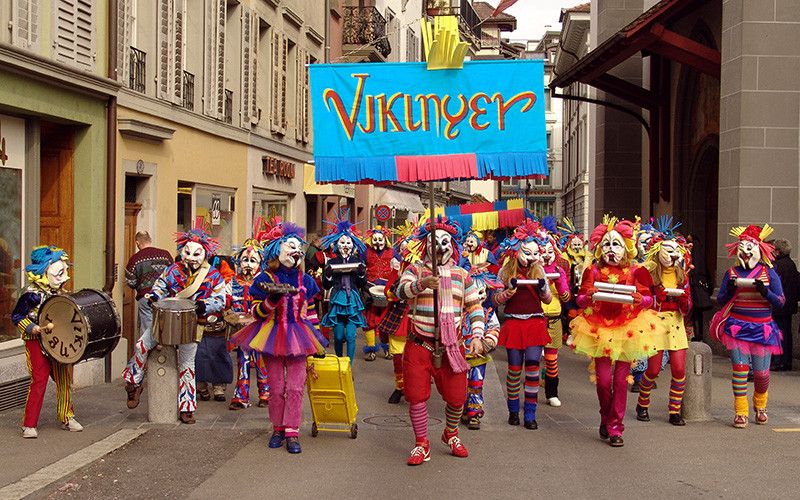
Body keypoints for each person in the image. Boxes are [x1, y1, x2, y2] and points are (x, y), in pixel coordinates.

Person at [396, 216, 486, 466]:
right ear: (425, 245)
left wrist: (477, 334)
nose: (439, 247)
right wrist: (422, 283)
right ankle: (421, 443)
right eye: (434, 242)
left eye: (444, 242)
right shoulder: (415, 270)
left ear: (452, 246)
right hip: (419, 343)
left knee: (457, 398)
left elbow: (474, 306)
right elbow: (400, 291)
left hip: (451, 346)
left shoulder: (462, 274)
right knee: (416, 396)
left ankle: (451, 433)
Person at [231, 218, 327, 453]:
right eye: (290, 246)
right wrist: (271, 301)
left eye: (298, 247)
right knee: (275, 388)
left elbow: (311, 312)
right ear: (278, 249)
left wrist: (317, 341)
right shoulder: (264, 279)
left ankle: (292, 432)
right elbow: (255, 313)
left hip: (300, 337)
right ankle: (278, 428)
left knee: (295, 388)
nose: (296, 251)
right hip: (271, 335)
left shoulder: (306, 280)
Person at [570, 215, 659, 447]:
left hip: (628, 329)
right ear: (601, 248)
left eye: (616, 244)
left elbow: (649, 299)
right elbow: (579, 299)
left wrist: (641, 300)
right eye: (607, 244)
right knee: (602, 381)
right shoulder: (593, 271)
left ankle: (616, 428)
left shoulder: (636, 271)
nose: (611, 248)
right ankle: (605, 416)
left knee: (620, 382)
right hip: (598, 329)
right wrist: (587, 297)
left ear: (626, 248)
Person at [122, 226, 226, 424]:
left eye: (196, 254)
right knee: (142, 345)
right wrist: (154, 296)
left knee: (187, 364)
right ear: (182, 251)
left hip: (192, 323)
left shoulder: (213, 275)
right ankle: (134, 382)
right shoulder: (173, 270)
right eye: (188, 252)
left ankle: (187, 407)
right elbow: (160, 286)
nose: (191, 258)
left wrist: (205, 305)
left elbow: (221, 299)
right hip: (165, 320)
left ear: (205, 254)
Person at [711, 224, 784, 428]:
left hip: (762, 329)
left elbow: (781, 302)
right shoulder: (731, 273)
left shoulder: (769, 273)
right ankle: (741, 411)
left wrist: (765, 292)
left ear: (760, 249)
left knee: (761, 374)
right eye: (742, 247)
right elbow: (721, 300)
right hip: (737, 328)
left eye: (750, 247)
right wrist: (730, 289)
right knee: (740, 371)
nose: (746, 251)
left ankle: (760, 406)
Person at [12, 246, 83, 438]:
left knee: (64, 378)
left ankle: (67, 416)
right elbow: (17, 316)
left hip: (58, 340)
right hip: (35, 341)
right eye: (61, 272)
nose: (65, 277)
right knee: (39, 379)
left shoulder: (60, 292)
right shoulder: (30, 294)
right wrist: (31, 327)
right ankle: (29, 424)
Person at [493, 219, 553, 430]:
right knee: (514, 369)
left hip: (535, 323)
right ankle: (512, 411)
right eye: (527, 252)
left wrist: (543, 289)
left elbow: (548, 300)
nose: (532, 257)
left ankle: (530, 414)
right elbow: (495, 300)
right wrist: (508, 292)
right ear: (516, 250)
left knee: (533, 368)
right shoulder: (505, 271)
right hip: (514, 324)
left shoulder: (540, 270)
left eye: (536, 253)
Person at [635, 217, 692, 426]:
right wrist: (656, 298)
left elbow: (688, 307)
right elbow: (642, 302)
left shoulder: (682, 276)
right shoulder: (648, 274)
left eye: (676, 250)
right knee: (653, 369)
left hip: (675, 323)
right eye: (668, 250)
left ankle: (674, 411)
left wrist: (683, 300)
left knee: (679, 370)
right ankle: (642, 403)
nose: (673, 254)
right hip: (656, 323)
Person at [319, 213, 367, 364]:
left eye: (348, 243)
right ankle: (340, 362)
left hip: (352, 299)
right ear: (336, 245)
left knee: (351, 336)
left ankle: (349, 366)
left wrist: (361, 274)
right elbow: (326, 285)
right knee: (339, 337)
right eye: (342, 242)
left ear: (353, 244)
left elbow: (362, 284)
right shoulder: (332, 262)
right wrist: (327, 275)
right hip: (337, 299)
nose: (345, 246)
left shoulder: (356, 261)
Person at [227, 238, 269, 410]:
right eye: (245, 260)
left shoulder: (265, 282)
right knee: (243, 360)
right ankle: (241, 396)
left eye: (253, 261)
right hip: (242, 330)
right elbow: (226, 302)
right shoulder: (232, 282)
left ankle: (266, 393)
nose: (249, 265)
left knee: (261, 361)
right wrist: (229, 311)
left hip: (261, 329)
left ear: (260, 263)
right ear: (239, 261)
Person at [461, 270, 501, 430]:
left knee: (476, 384)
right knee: (461, 384)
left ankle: (474, 413)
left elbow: (494, 328)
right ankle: (463, 409)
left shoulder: (488, 313)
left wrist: (488, 342)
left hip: (479, 356)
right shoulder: (458, 313)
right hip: (460, 355)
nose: (480, 296)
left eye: (483, 291)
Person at [540, 216, 572, 407]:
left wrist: (559, 282)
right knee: (533, 359)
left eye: (549, 251)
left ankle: (552, 392)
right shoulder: (531, 269)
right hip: (535, 318)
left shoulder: (560, 269)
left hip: (553, 319)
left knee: (552, 359)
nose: (546, 255)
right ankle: (532, 389)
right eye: (542, 251)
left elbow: (567, 298)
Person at [124, 231, 173, 341]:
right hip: (165, 296)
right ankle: (165, 349)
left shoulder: (135, 259)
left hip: (145, 297)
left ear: (137, 243)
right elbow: (173, 274)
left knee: (147, 329)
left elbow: (131, 282)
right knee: (165, 327)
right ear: (150, 240)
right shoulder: (165, 255)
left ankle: (148, 350)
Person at [363, 225, 394, 360]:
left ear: (385, 240)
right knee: (370, 321)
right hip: (370, 291)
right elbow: (360, 267)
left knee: (386, 322)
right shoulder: (365, 252)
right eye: (375, 239)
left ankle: (388, 349)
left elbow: (401, 266)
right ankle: (371, 350)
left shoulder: (392, 252)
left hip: (387, 292)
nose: (377, 242)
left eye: (380, 239)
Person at [770, 239, 799, 371]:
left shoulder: (777, 266)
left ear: (778, 251)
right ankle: (786, 361)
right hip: (788, 306)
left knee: (778, 334)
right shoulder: (791, 264)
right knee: (786, 334)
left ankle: (778, 361)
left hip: (779, 306)